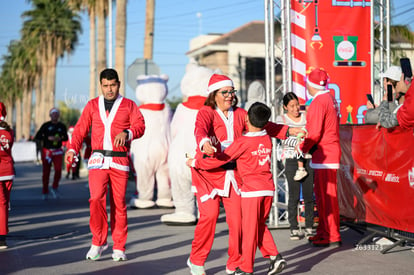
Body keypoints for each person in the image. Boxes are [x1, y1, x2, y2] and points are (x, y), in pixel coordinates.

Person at [187, 74, 302, 275]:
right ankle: (196, 260)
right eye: (225, 92)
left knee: (238, 222)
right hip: (208, 172)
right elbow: (200, 129)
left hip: (233, 175)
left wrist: (289, 131)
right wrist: (204, 142)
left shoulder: (241, 113)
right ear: (214, 95)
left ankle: (234, 263)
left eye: (232, 91)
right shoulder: (206, 112)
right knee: (210, 216)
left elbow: (266, 125)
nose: (230, 95)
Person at [65, 68, 146, 261]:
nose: (109, 89)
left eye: (113, 85)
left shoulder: (129, 105)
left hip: (119, 160)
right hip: (97, 160)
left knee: (119, 204)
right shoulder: (93, 105)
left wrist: (127, 132)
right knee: (95, 200)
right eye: (106, 85)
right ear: (101, 85)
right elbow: (80, 130)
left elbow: (140, 125)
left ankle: (119, 246)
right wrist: (72, 149)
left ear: (119, 84)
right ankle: (98, 242)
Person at [161, 63, 213, 225]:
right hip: (203, 154)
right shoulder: (214, 109)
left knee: (181, 183)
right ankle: (205, 210)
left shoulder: (182, 108)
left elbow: (173, 130)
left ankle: (184, 211)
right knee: (205, 186)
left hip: (180, 155)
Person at [297, 68, 342, 247]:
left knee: (326, 198)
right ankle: (325, 231)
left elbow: (314, 133)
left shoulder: (318, 101)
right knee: (324, 197)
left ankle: (332, 234)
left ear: (311, 84)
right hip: (327, 153)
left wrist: (302, 147)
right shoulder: (328, 97)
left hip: (325, 154)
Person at [276, 92, 314, 241]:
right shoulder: (282, 119)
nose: (296, 108)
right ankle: (294, 228)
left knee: (308, 195)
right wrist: (297, 143)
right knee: (293, 196)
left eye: (297, 104)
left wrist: (304, 144)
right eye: (291, 106)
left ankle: (309, 226)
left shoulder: (306, 117)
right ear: (285, 107)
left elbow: (311, 134)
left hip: (308, 158)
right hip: (291, 159)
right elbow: (282, 137)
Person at [34, 107, 68, 200]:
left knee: (58, 170)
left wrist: (60, 138)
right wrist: (48, 138)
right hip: (47, 151)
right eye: (53, 114)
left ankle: (54, 187)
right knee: (46, 172)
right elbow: (37, 137)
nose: (55, 115)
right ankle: (45, 191)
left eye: (56, 114)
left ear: (58, 115)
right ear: (50, 115)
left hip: (57, 151)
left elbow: (66, 138)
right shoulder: (46, 125)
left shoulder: (62, 126)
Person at [0, 102, 14, 249]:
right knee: (4, 204)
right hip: (8, 171)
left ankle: (1, 238)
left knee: (1, 204)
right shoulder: (9, 130)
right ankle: (3, 235)